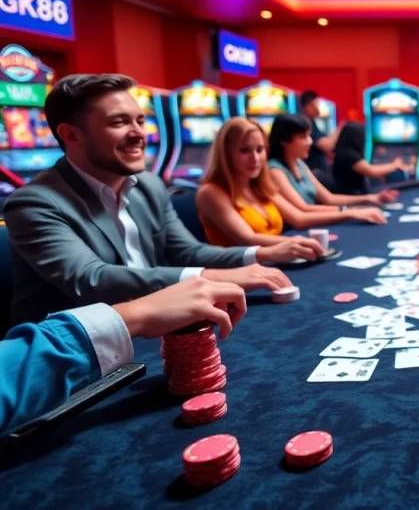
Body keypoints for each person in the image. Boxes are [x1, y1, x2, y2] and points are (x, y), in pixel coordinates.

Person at [4, 74, 304, 326]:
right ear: (71, 136)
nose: (139, 134)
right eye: (120, 123)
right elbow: (91, 279)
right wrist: (213, 277)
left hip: (155, 326)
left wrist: (261, 256)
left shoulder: (148, 184)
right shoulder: (36, 203)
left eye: (140, 120)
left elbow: (189, 252)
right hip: (78, 357)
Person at [0, 277, 246, 436]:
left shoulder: (144, 194)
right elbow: (90, 276)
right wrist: (135, 314)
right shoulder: (33, 203)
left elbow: (183, 247)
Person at [197, 118, 387, 249]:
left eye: (260, 149)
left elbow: (298, 215)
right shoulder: (211, 192)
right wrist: (298, 242)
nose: (255, 158)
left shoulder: (258, 186)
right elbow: (248, 239)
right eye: (244, 150)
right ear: (226, 154)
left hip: (278, 262)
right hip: (240, 280)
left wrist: (354, 210)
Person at [267, 113, 398, 213]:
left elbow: (329, 198)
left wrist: (369, 199)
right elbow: (304, 209)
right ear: (284, 141)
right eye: (303, 137)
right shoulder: (275, 170)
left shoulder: (299, 163)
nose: (310, 142)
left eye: (309, 136)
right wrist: (349, 211)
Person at [331, 122, 408, 195]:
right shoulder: (348, 155)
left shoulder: (343, 151)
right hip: (351, 195)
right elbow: (372, 171)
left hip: (352, 193)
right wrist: (394, 165)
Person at [298, 90, 341, 174]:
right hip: (314, 171)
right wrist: (340, 129)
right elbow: (325, 145)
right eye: (317, 104)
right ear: (308, 106)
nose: (319, 108)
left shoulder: (311, 122)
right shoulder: (306, 124)